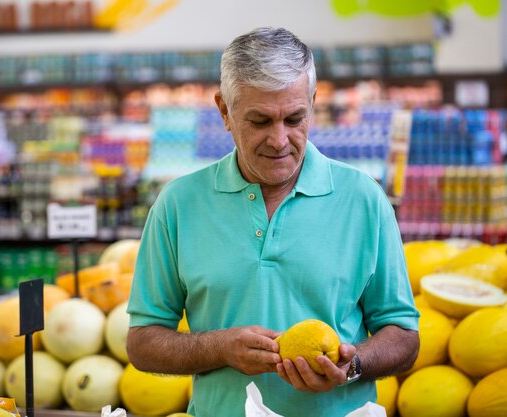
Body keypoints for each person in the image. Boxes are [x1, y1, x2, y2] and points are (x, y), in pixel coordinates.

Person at [126, 27, 420, 417]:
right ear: (225, 112)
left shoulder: (363, 198)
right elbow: (143, 343)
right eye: (260, 121)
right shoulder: (178, 204)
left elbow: (403, 336)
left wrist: (352, 366)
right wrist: (219, 348)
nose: (280, 140)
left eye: (294, 118)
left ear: (313, 104)